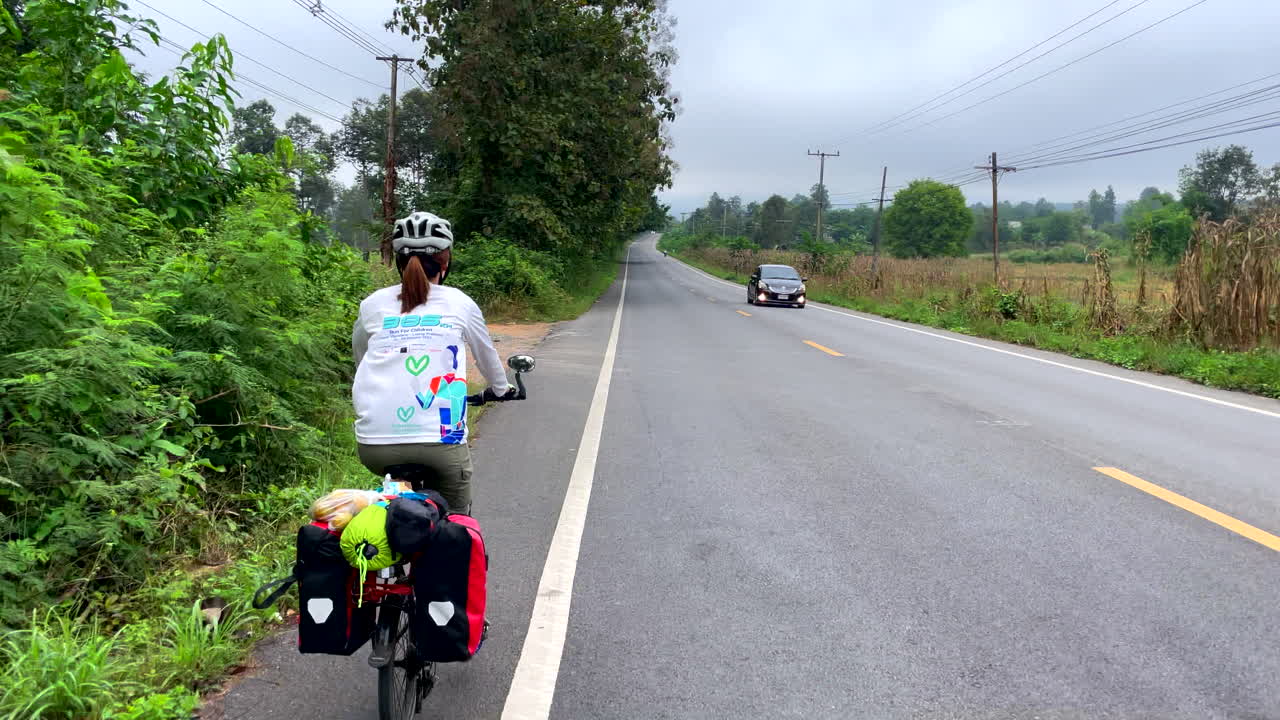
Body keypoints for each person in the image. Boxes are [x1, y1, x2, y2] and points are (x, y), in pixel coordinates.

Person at [351, 211, 516, 514]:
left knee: (388, 518)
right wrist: (501, 388)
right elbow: (488, 358)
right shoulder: (460, 302)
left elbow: (361, 361)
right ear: (445, 261)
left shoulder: (372, 304)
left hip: (374, 445)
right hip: (442, 444)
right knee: (455, 521)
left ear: (399, 262)